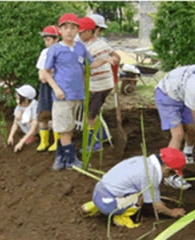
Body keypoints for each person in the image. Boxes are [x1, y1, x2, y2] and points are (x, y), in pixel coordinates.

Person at [42, 13, 113, 170]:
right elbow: (45, 72)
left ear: (78, 30)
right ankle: (71, 159)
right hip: (62, 95)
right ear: (60, 30)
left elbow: (90, 65)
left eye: (73, 28)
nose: (69, 31)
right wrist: (56, 88)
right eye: (65, 27)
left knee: (68, 128)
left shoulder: (81, 48)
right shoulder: (54, 49)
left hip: (78, 94)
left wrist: (104, 60)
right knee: (64, 128)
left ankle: (61, 158)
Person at [81, 147, 186, 228]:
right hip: (108, 203)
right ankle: (120, 218)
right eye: (172, 173)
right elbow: (157, 206)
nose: (170, 176)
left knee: (126, 188)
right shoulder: (150, 175)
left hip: (99, 191)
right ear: (167, 169)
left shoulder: (142, 160)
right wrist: (171, 212)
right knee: (141, 196)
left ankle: (93, 205)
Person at [155, 62, 195, 189]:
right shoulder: (194, 88)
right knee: (178, 134)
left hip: (181, 92)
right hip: (167, 94)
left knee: (192, 130)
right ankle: (169, 174)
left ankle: (187, 154)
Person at [78, 17, 120, 152]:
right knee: (93, 113)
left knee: (90, 116)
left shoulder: (92, 47)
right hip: (101, 84)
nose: (79, 35)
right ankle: (102, 136)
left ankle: (95, 144)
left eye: (81, 33)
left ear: (89, 31)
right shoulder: (101, 43)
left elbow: (84, 68)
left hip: (100, 86)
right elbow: (115, 55)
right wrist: (113, 59)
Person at [36, 25, 61, 152]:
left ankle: (57, 141)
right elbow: (42, 73)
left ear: (56, 39)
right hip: (45, 87)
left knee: (57, 114)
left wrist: (48, 74)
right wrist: (45, 75)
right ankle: (44, 141)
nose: (46, 42)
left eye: (49, 39)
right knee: (43, 113)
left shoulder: (63, 52)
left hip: (58, 87)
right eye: (45, 40)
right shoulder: (44, 53)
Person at [7, 85, 39, 153]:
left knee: (33, 121)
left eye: (18, 99)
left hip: (38, 128)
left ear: (26, 100)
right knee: (18, 115)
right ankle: (29, 135)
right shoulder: (19, 106)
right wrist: (11, 136)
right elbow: (15, 123)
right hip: (29, 127)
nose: (17, 101)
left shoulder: (35, 107)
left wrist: (21, 142)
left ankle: (36, 136)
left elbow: (34, 127)